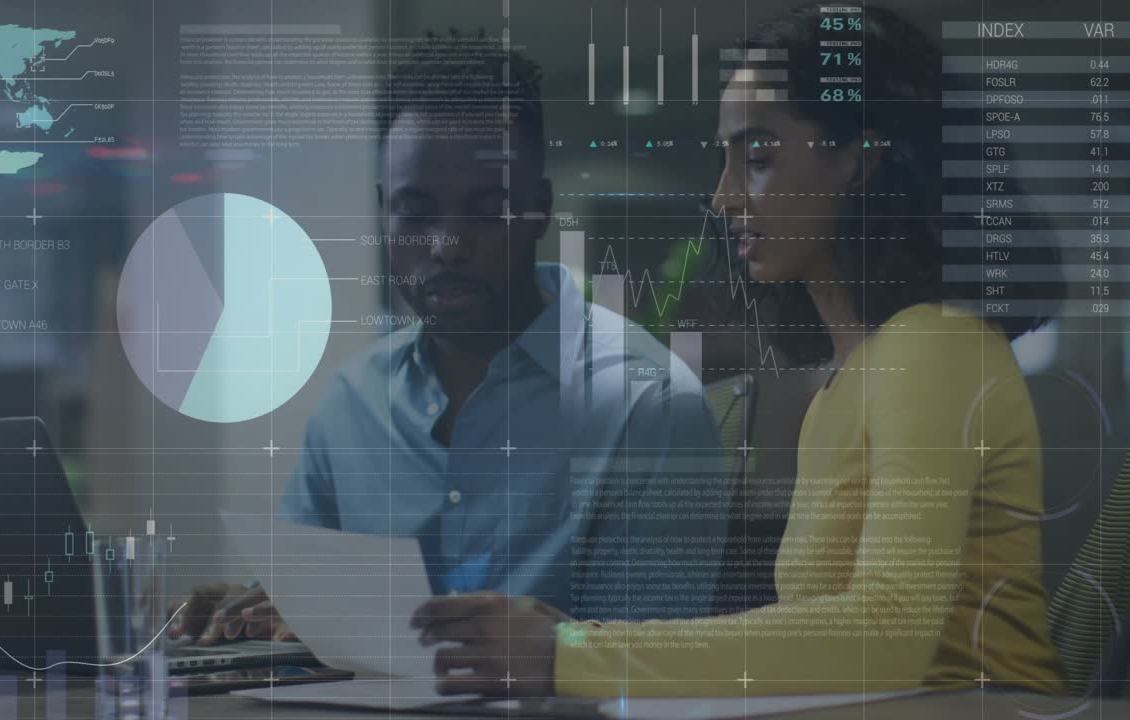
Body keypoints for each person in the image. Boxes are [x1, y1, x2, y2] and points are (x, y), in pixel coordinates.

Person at [410, 5, 1069, 698]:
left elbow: (884, 636)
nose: (723, 198)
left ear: (862, 160)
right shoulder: (847, 383)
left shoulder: (935, 343)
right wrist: (576, 640)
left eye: (756, 159)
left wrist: (571, 655)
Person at [168, 30, 725, 646]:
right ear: (383, 211)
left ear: (539, 209)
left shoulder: (648, 403)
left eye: (486, 209)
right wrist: (250, 615)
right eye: (415, 210)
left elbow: (652, 665)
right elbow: (306, 608)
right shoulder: (353, 399)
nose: (447, 245)